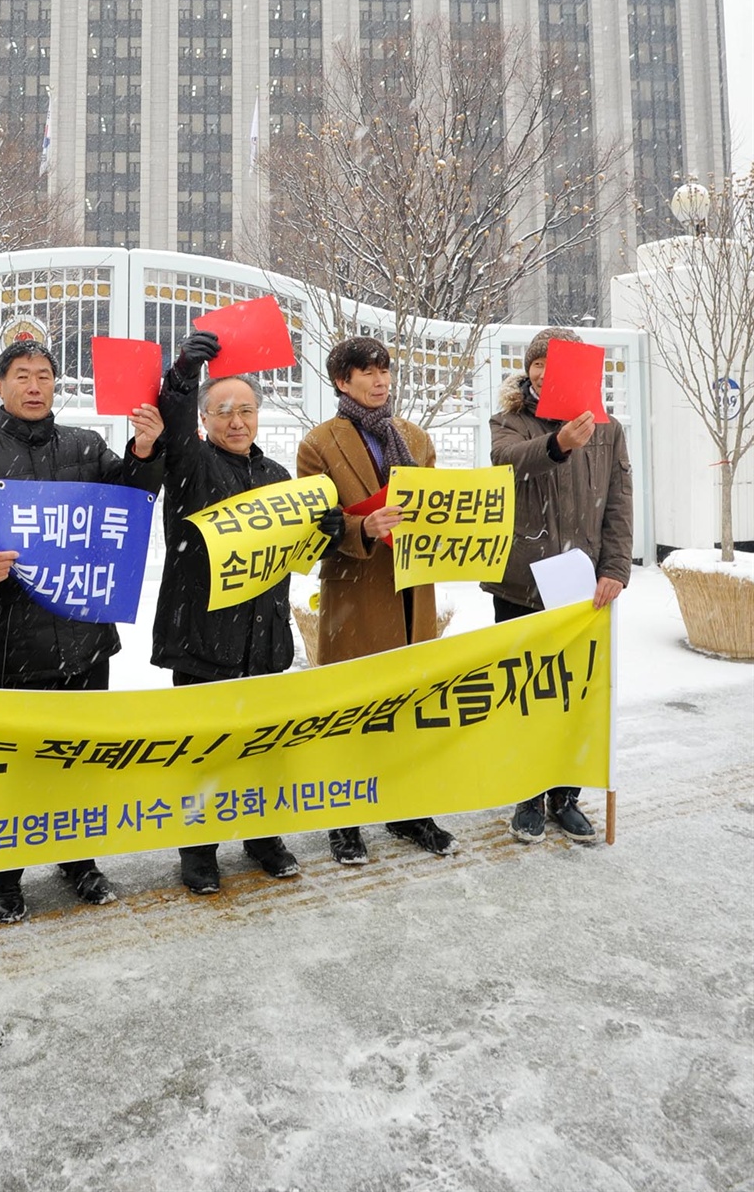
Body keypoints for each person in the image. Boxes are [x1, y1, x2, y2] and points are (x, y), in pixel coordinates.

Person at [0, 339, 164, 922]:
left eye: (44, 375)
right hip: (16, 640)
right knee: (16, 765)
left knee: (82, 760)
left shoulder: (87, 447)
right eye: (22, 376)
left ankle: (79, 861)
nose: (35, 385)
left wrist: (143, 450)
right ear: (0, 386)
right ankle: (6, 876)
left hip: (87, 637)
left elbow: (134, 496)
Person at [152, 329, 343, 893]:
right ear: (205, 420)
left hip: (264, 639)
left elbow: (299, 552)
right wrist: (184, 376)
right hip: (202, 638)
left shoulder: (278, 477)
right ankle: (199, 851)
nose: (237, 421)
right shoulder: (189, 465)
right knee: (205, 752)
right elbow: (173, 422)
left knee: (263, 750)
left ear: (259, 416)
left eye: (247, 410)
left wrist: (328, 533)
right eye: (224, 412)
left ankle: (262, 838)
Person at [297, 335, 456, 865]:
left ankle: (410, 807)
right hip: (357, 592)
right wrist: (361, 525)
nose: (380, 380)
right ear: (342, 381)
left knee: (410, 706)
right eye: (367, 372)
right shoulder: (318, 444)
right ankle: (345, 820)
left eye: (385, 370)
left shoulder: (415, 437)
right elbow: (313, 522)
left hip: (412, 589)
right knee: (354, 709)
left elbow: (437, 505)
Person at [487, 326, 632, 844]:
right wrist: (557, 443)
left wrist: (615, 567)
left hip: (583, 585)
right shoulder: (509, 421)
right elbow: (508, 461)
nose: (545, 371)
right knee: (525, 693)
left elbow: (618, 500)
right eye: (537, 363)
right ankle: (527, 792)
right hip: (521, 583)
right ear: (528, 369)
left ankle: (565, 795)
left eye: (558, 362)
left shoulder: (608, 429)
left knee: (576, 697)